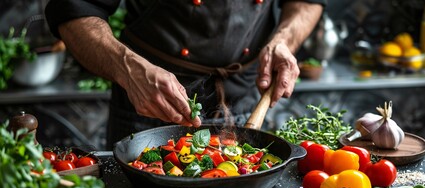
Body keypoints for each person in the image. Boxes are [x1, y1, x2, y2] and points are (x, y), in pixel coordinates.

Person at [45, 0, 325, 150]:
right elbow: (73, 8)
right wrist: (128, 68)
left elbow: (308, 2)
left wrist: (283, 40)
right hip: (149, 106)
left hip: (246, 95)